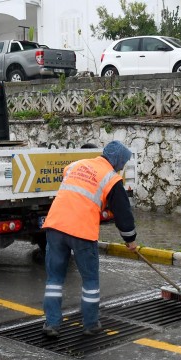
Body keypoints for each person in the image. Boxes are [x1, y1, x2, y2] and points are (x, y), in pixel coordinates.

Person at [41, 140, 137, 338]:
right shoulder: (111, 178)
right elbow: (123, 213)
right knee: (90, 280)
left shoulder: (76, 165)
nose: (123, 166)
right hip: (81, 231)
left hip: (55, 225)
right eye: (123, 162)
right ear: (117, 159)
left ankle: (51, 324)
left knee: (54, 280)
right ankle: (91, 324)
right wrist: (130, 240)